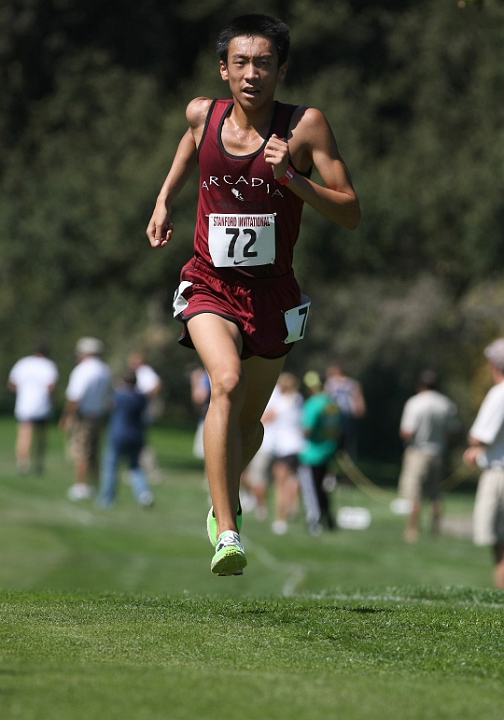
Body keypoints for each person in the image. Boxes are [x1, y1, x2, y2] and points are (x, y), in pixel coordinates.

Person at [146, 14, 360, 575]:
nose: (251, 73)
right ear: (223, 69)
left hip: (275, 296)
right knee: (227, 382)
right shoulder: (203, 112)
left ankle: (224, 494)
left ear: (281, 70)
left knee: (249, 427)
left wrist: (292, 179)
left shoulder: (305, 126)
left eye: (263, 63)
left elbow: (351, 212)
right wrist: (165, 199)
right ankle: (229, 529)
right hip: (209, 283)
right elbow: (189, 145)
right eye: (240, 62)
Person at [398, 369, 459, 542]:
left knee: (414, 492)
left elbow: (407, 431)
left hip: (418, 452)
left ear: (420, 385)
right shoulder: (446, 404)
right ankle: (435, 530)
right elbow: (453, 431)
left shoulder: (415, 403)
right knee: (435, 494)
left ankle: (412, 530)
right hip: (438, 452)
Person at [463, 339, 504, 588]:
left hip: (499, 474)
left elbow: (480, 435)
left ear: (494, 365)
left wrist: (474, 447)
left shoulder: (499, 393)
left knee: (499, 541)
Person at [60, 337, 112, 500]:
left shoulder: (82, 370)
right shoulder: (104, 369)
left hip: (84, 416)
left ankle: (81, 486)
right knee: (94, 451)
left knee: (81, 451)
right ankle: (95, 484)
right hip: (98, 415)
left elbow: (75, 397)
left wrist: (66, 416)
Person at [98, 370, 154, 508]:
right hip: (136, 435)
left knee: (110, 466)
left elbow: (108, 405)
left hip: (118, 434)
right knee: (135, 467)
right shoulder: (141, 397)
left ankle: (107, 499)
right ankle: (144, 494)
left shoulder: (119, 395)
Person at [298, 371, 341, 534]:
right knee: (322, 489)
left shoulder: (313, 403)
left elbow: (307, 429)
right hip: (328, 450)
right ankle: (328, 520)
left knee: (311, 490)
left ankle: (314, 521)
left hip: (312, 453)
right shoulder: (332, 403)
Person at [7, 343, 59, 474]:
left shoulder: (22, 363)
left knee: (24, 435)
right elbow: (51, 386)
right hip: (42, 405)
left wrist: (23, 391)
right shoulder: (48, 365)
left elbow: (12, 384)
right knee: (40, 436)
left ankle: (22, 463)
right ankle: (38, 462)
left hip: (25, 404)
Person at [268, 372, 305, 535]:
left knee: (279, 484)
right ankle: (292, 507)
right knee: (291, 480)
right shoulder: (297, 398)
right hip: (298, 445)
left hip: (286, 447)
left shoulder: (282, 402)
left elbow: (264, 418)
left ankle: (280, 519)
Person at [127, 351, 163, 482]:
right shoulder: (137, 372)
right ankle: (135, 467)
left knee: (140, 441)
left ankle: (149, 470)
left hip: (141, 412)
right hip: (135, 411)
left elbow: (157, 384)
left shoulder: (145, 371)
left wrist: (142, 398)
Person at [324, 362, 366, 461]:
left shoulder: (330, 382)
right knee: (347, 448)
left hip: (332, 417)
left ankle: (328, 472)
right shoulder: (353, 383)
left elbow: (325, 399)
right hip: (347, 418)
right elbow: (360, 407)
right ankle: (346, 471)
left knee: (330, 446)